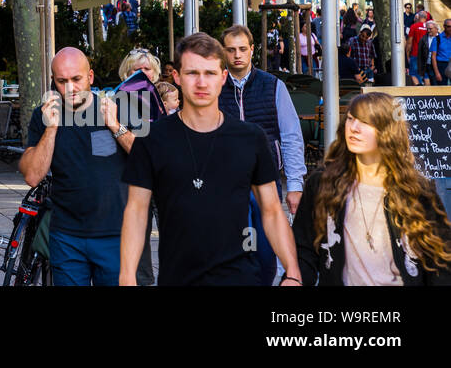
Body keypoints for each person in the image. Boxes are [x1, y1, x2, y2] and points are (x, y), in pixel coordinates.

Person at [121, 32, 302, 287]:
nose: (202, 83)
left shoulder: (250, 138)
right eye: (193, 73)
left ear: (223, 78)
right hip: (177, 278)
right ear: (177, 77)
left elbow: (272, 210)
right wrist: (126, 276)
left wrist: (292, 272)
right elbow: (136, 210)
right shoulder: (152, 139)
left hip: (240, 278)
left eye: (210, 73)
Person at [294, 92, 451, 285]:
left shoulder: (415, 189)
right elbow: (304, 249)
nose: (354, 128)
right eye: (350, 119)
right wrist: (294, 279)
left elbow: (440, 257)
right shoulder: (323, 183)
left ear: (388, 130)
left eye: (366, 122)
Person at [20, 47, 139, 286]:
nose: (71, 88)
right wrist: (51, 129)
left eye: (77, 79)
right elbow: (32, 175)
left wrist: (115, 127)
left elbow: (150, 160)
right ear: (53, 81)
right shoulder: (43, 115)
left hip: (116, 233)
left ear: (90, 77)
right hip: (67, 235)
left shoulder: (119, 107)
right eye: (62, 81)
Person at [219, 23, 308, 285]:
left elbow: (291, 136)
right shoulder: (215, 85)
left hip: (265, 181)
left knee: (266, 250)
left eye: (242, 49)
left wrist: (295, 184)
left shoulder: (273, 85)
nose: (237, 55)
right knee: (231, 248)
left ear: (252, 50)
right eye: (231, 49)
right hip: (225, 181)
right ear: (223, 52)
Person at [426, 19, 451, 85]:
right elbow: (433, 57)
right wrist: (437, 73)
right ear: (444, 26)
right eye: (449, 26)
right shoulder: (437, 39)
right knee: (442, 88)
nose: (450, 29)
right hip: (441, 65)